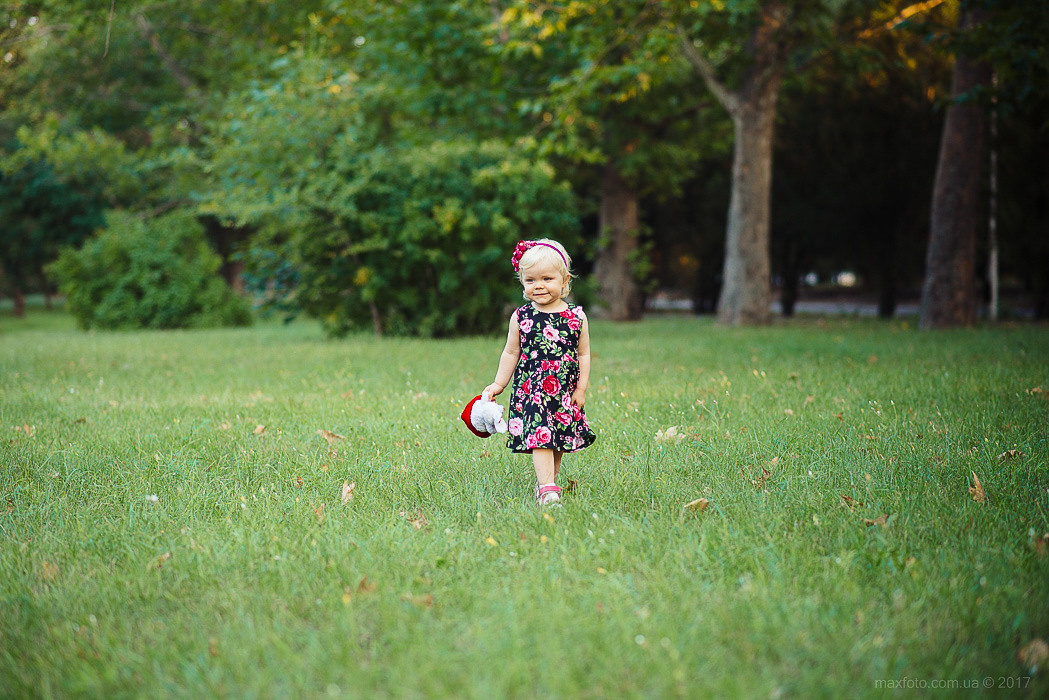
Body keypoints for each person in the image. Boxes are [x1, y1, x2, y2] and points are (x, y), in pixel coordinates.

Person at [483, 239, 596, 506]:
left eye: (547, 278)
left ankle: (548, 483)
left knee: (557, 437)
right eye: (531, 280)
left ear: (565, 280)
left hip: (563, 391)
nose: (539, 285)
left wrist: (581, 388)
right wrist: (499, 383)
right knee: (541, 435)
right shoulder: (521, 317)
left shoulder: (576, 317)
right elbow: (511, 352)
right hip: (532, 391)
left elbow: (584, 354)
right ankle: (547, 487)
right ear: (522, 282)